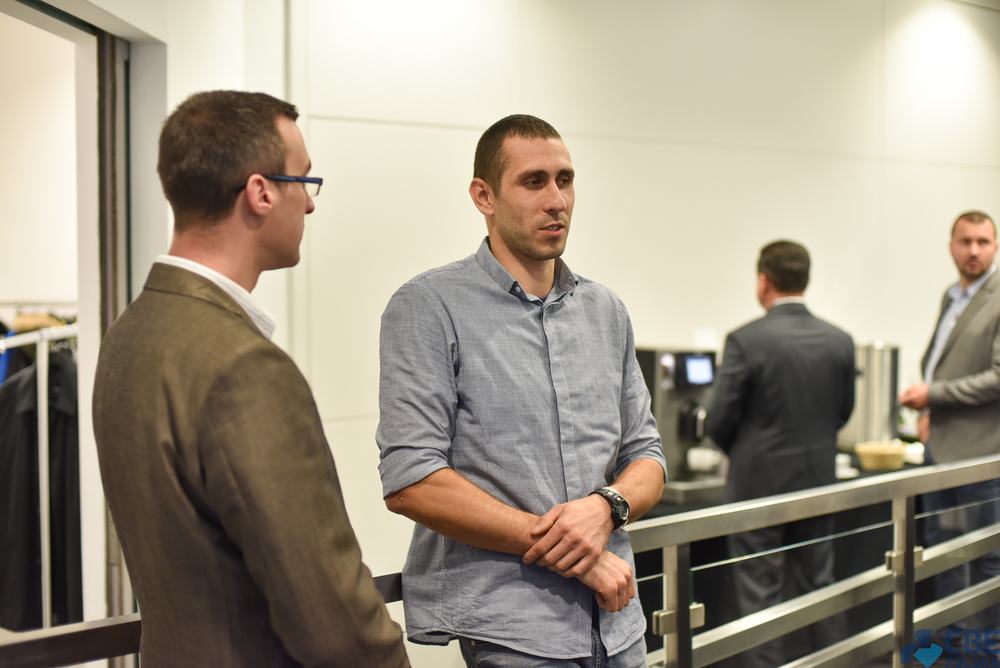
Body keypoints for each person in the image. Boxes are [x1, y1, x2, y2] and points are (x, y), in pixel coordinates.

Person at [92, 91, 409, 668]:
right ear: (261, 192)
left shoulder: (130, 333)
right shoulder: (243, 367)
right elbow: (331, 618)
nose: (310, 205)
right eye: (304, 181)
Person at [376, 114, 666, 667]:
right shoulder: (429, 306)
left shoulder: (606, 311)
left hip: (620, 624)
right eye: (534, 182)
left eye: (565, 180)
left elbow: (647, 456)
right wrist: (578, 553)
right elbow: (412, 480)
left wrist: (606, 508)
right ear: (483, 196)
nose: (557, 200)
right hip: (515, 634)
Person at [706, 240, 855, 668]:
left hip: (758, 487)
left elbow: (718, 419)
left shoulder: (745, 340)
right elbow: (842, 412)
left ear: (763, 281)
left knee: (759, 596)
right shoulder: (840, 340)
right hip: (818, 482)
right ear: (806, 279)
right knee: (819, 586)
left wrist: (744, 452)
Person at [899, 210, 1000, 643]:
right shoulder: (952, 295)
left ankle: (988, 652)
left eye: (983, 241)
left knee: (986, 559)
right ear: (951, 247)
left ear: (995, 247)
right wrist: (929, 413)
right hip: (941, 454)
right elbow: (943, 363)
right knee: (944, 554)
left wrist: (934, 396)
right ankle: (954, 647)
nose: (973, 250)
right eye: (965, 241)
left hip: (982, 458)